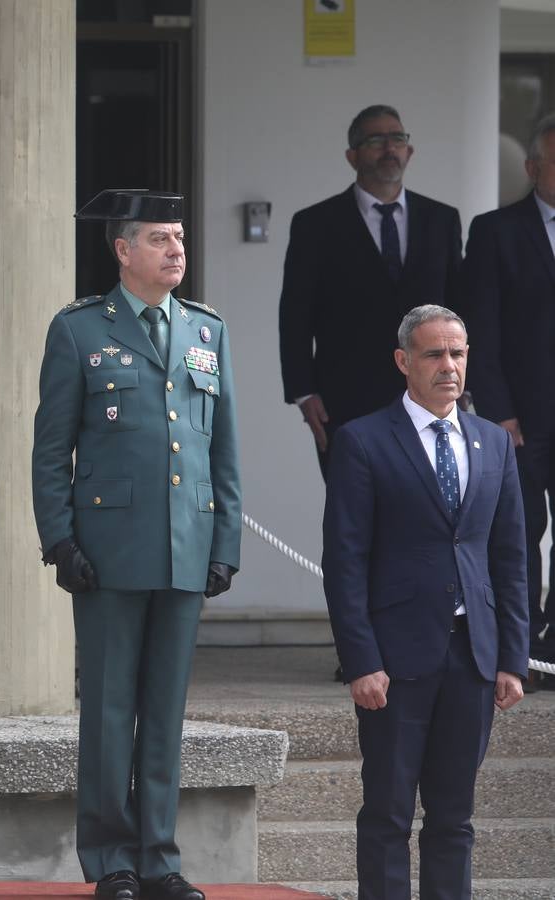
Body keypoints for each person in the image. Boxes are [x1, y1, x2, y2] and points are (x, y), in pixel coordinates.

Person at [31, 189, 240, 900]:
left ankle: (160, 858)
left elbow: (224, 451)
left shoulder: (207, 331)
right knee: (110, 712)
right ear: (123, 251)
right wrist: (59, 539)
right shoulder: (81, 330)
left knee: (166, 711)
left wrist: (226, 541)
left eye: (179, 237)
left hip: (187, 544)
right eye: (160, 238)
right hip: (109, 550)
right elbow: (50, 446)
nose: (176, 249)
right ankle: (111, 858)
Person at [322, 305, 527, 900]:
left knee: (453, 817)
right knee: (387, 813)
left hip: (473, 657)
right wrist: (360, 659)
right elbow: (345, 561)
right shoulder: (362, 441)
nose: (448, 367)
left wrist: (512, 655)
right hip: (395, 659)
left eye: (457, 354)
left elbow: (510, 558)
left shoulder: (493, 441)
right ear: (403, 362)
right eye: (434, 354)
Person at [279, 104, 462, 479]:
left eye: (398, 139)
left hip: (427, 390)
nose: (389, 148)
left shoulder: (442, 219)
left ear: (409, 151)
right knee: (354, 514)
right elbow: (295, 314)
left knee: (426, 510)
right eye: (376, 140)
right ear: (353, 156)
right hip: (345, 399)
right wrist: (303, 392)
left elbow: (457, 304)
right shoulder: (316, 224)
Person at [463, 112, 555, 685]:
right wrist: (498, 412)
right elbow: (483, 326)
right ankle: (522, 648)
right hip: (520, 417)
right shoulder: (496, 230)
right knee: (520, 535)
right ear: (532, 168)